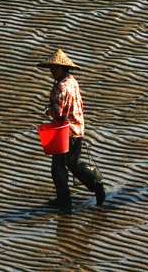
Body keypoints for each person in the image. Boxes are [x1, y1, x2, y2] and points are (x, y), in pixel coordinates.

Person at [37, 49, 105, 207]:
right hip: (77, 128)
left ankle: (68, 199)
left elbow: (58, 112)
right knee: (72, 163)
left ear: (62, 68)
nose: (52, 71)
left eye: (54, 68)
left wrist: (47, 110)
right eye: (51, 68)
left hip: (65, 131)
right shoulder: (72, 81)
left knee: (59, 167)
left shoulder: (62, 86)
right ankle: (94, 187)